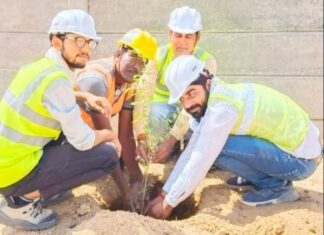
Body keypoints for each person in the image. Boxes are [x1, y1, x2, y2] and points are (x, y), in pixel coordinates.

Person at [0, 9, 137, 230]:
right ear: (57, 42)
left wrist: (86, 97)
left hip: (7, 162)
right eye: (78, 41)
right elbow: (82, 141)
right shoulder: (57, 79)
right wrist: (110, 135)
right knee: (108, 155)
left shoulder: (39, 67)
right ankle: (20, 202)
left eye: (89, 43)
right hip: (13, 172)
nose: (86, 49)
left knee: (72, 131)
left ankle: (37, 188)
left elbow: (54, 97)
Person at [145, 55, 322, 219]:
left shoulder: (222, 109)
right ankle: (263, 177)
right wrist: (164, 194)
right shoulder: (215, 96)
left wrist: (168, 204)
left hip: (300, 161)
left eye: (191, 93)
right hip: (294, 151)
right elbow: (192, 149)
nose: (188, 104)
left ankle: (277, 188)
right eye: (182, 99)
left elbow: (200, 158)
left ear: (206, 82)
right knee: (213, 144)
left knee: (216, 148)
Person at [134, 6, 216, 163]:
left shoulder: (207, 61)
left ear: (197, 38)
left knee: (199, 134)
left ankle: (186, 141)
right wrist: (141, 137)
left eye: (188, 37)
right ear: (169, 34)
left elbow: (196, 107)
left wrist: (172, 138)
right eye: (178, 35)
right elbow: (143, 95)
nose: (182, 42)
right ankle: (169, 144)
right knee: (153, 139)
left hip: (192, 109)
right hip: (163, 106)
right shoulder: (158, 56)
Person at [75, 28, 157, 186]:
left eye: (143, 62)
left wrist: (138, 179)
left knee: (119, 160)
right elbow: (106, 139)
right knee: (107, 155)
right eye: (133, 57)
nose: (137, 67)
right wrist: (126, 192)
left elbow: (125, 136)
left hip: (84, 136)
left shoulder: (128, 83)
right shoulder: (96, 80)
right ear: (119, 53)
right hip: (60, 138)